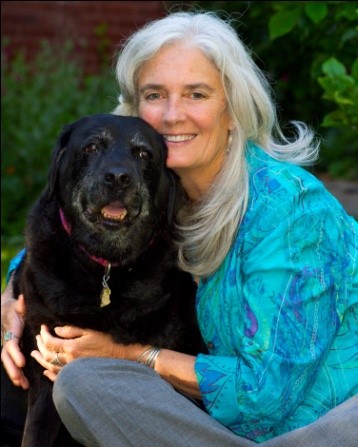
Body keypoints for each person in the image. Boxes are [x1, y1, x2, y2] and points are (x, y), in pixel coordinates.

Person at [1, 10, 357, 447]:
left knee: (89, 379)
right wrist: (14, 294)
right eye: (155, 94)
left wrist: (132, 356)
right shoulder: (165, 193)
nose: (172, 115)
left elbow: (265, 396)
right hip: (211, 426)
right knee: (83, 383)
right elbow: (67, 240)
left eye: (196, 94)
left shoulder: (289, 211)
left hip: (308, 429)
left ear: (232, 108)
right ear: (135, 108)